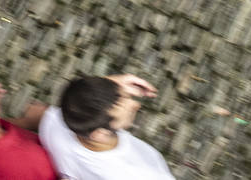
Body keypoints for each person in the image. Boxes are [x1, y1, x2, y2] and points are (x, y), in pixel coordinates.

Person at [37, 74, 174, 179]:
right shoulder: (138, 174)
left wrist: (110, 83)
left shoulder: (51, 121)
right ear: (100, 134)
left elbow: (79, 99)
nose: (136, 105)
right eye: (129, 112)